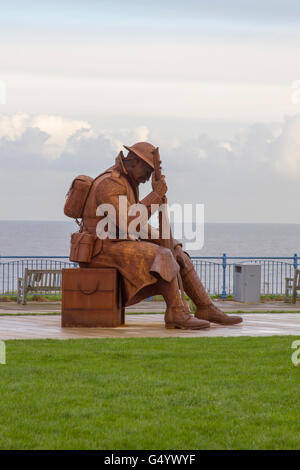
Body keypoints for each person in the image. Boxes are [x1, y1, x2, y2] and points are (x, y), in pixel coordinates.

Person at [78, 142, 242, 329]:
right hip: (101, 250)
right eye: (148, 170)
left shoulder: (127, 182)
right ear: (133, 161)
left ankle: (206, 307)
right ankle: (176, 313)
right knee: (162, 255)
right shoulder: (110, 183)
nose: (148, 177)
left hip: (117, 242)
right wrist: (156, 195)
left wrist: (165, 238)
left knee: (176, 251)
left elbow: (133, 221)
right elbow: (129, 221)